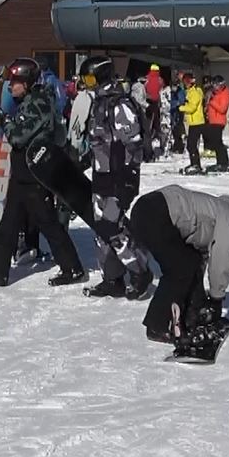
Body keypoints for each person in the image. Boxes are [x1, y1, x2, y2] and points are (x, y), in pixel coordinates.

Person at [0, 58, 87, 288]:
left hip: (34, 174)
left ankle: (73, 268)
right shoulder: (29, 102)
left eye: (15, 82)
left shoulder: (38, 104)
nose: (10, 86)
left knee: (48, 223)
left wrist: (4, 120)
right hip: (23, 174)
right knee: (9, 224)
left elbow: (18, 136)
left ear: (27, 83)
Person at [129, 185, 229, 352]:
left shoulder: (224, 212)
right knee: (179, 270)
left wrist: (200, 308)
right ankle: (157, 326)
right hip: (155, 213)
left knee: (190, 262)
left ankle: (190, 316)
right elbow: (220, 263)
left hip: (151, 208)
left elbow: (200, 258)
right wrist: (216, 299)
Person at [80, 56, 155, 299]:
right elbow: (99, 141)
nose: (86, 84)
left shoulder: (119, 105)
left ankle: (140, 272)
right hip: (101, 176)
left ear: (101, 76)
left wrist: (129, 178)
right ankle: (112, 279)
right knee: (101, 230)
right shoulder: (98, 103)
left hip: (119, 178)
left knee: (113, 228)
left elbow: (133, 145)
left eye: (89, 79)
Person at [178, 73, 207, 174]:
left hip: (197, 122)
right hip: (193, 122)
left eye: (186, 82)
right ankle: (194, 163)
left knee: (191, 145)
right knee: (191, 145)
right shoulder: (190, 91)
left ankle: (196, 164)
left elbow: (192, 108)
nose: (184, 84)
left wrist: (180, 108)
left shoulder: (195, 92)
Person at [204, 76, 229, 172]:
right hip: (213, 121)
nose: (214, 87)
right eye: (214, 85)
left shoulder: (225, 95)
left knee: (218, 143)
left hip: (219, 122)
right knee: (215, 143)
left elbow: (222, 109)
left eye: (216, 85)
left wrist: (211, 102)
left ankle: (223, 163)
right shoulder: (215, 94)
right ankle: (220, 162)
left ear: (221, 85)